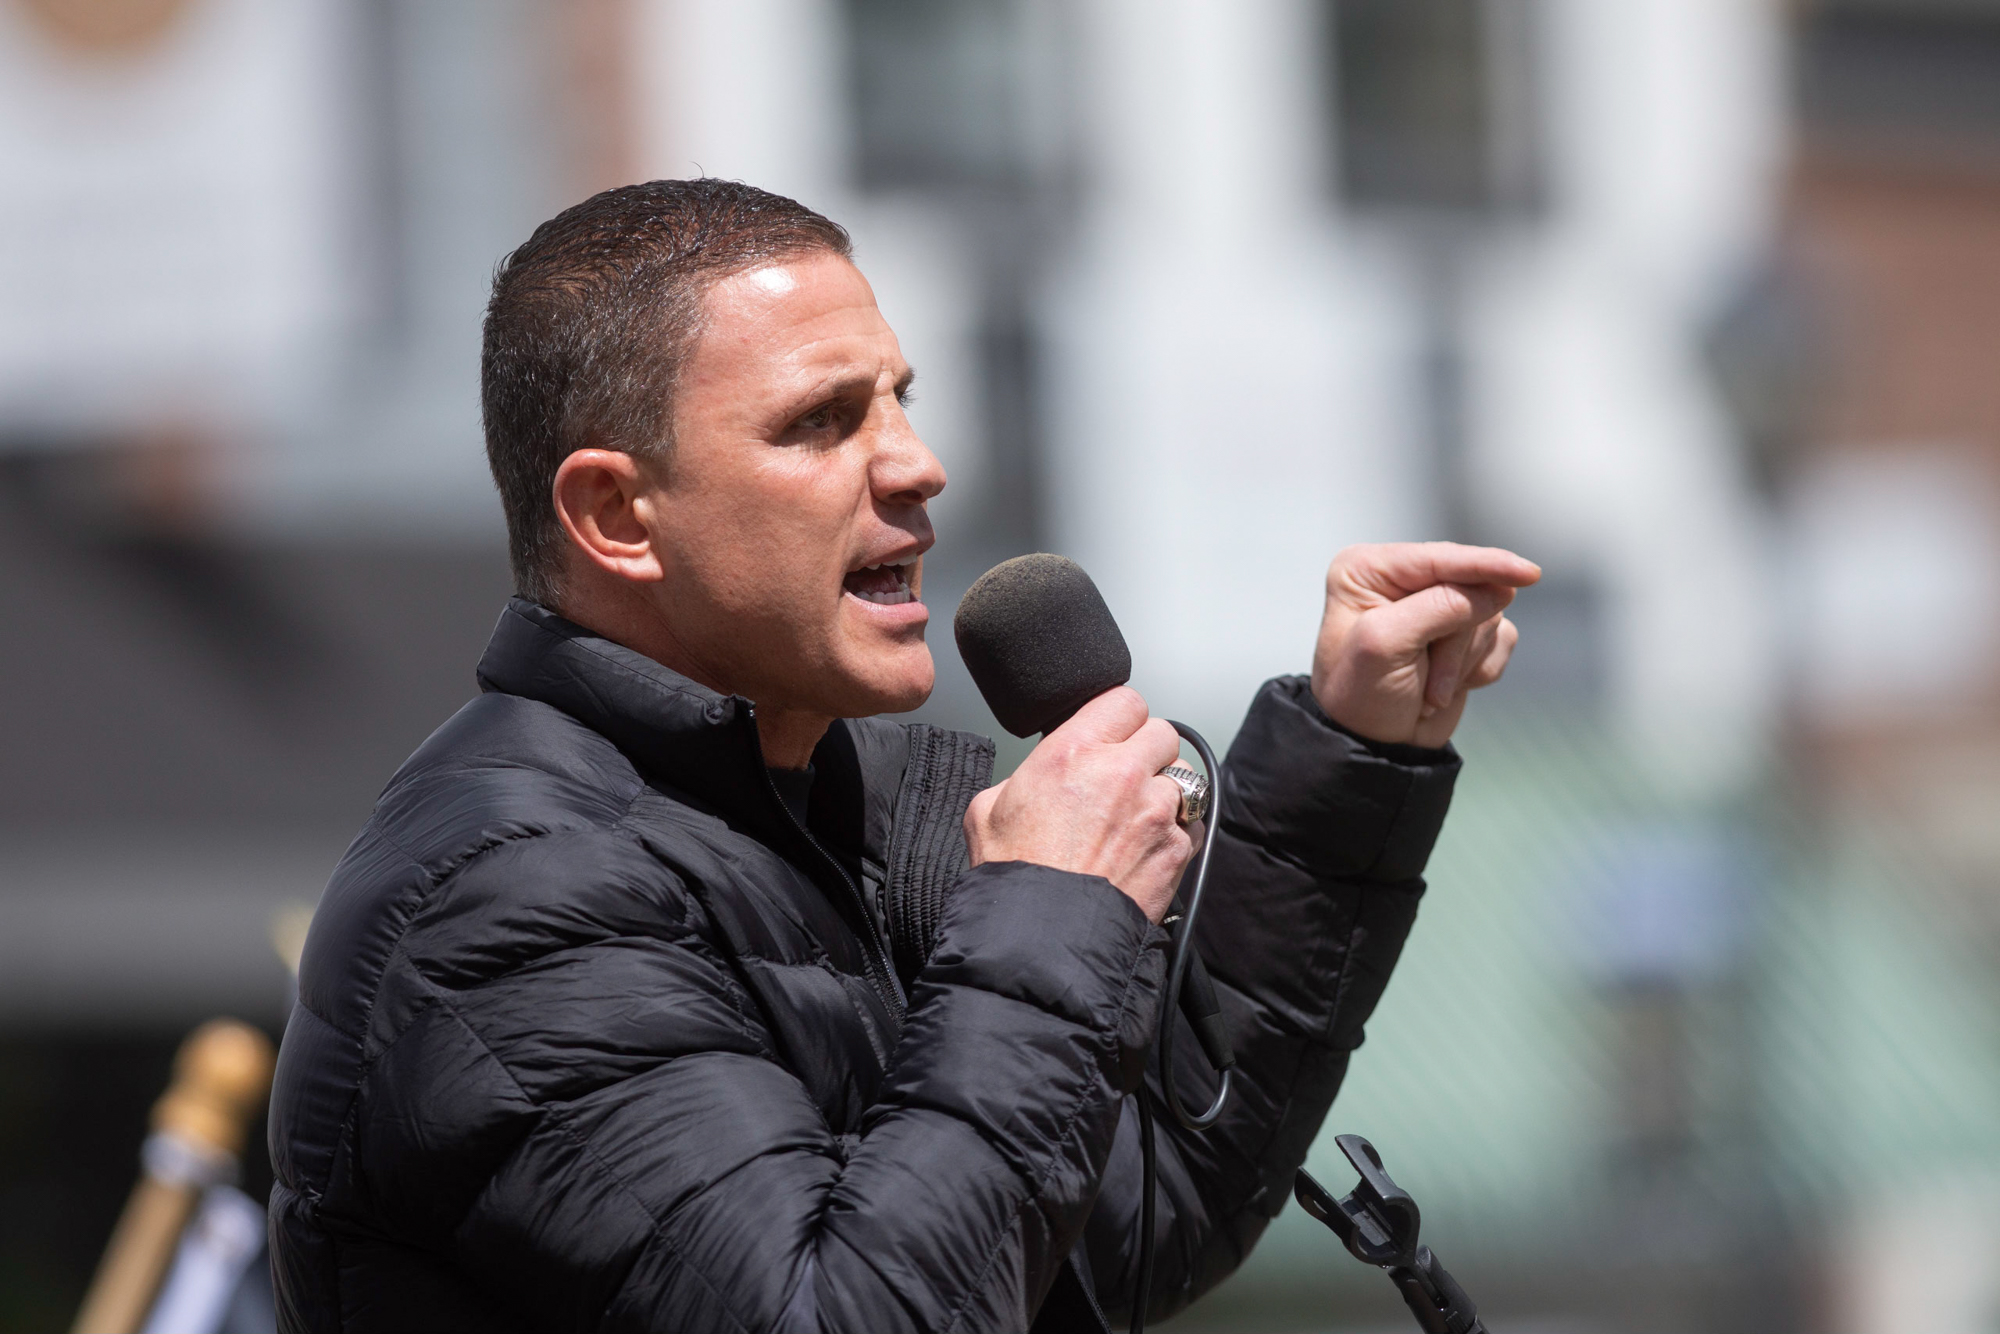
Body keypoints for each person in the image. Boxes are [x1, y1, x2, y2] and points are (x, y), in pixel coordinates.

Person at [267, 179, 1538, 1334]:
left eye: (900, 398)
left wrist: (1348, 754)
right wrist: (1049, 915)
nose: (918, 465)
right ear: (614, 514)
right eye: (820, 422)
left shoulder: (844, 810)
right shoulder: (511, 898)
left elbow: (1129, 1225)